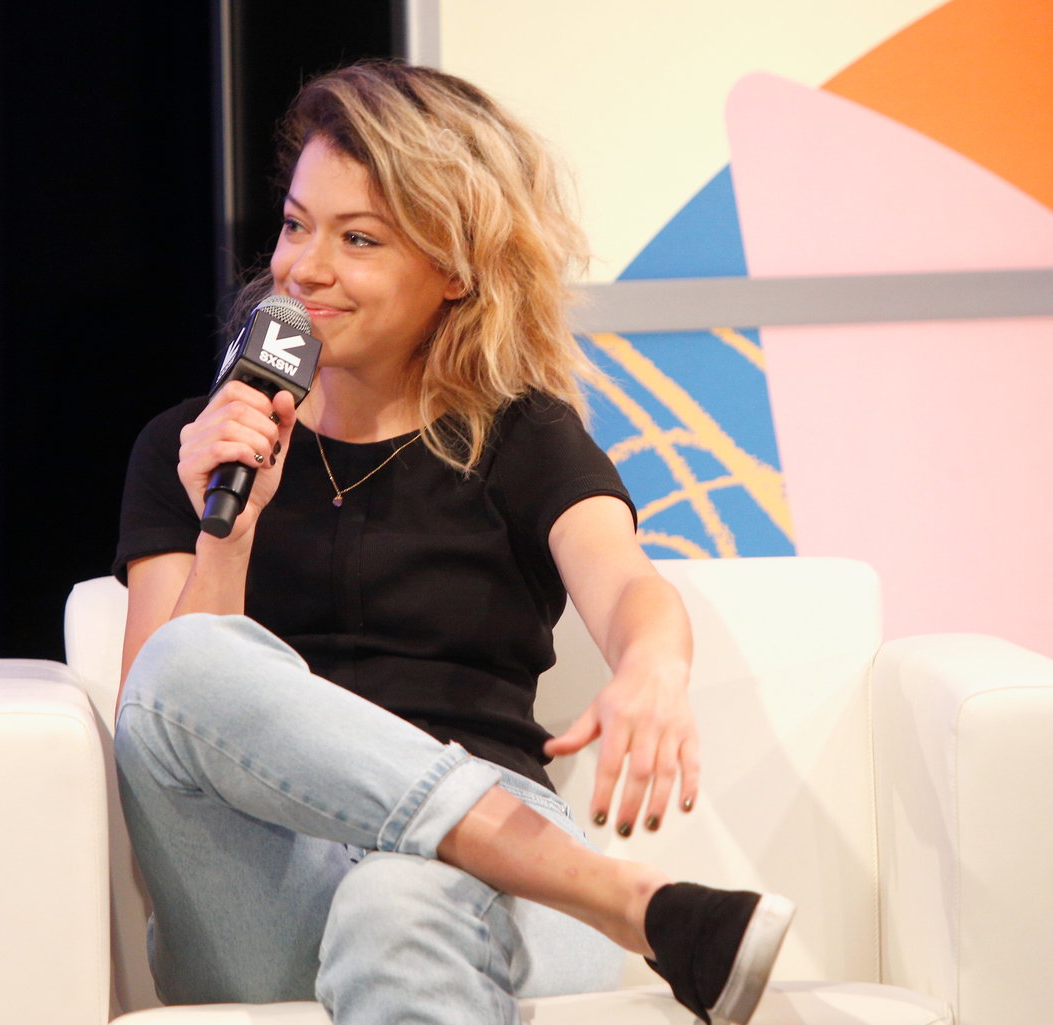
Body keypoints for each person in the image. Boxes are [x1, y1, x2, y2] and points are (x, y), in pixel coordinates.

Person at [112, 61, 792, 1025]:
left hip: (480, 889)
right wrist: (233, 526)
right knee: (182, 661)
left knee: (401, 898)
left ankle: (498, 861)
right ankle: (619, 898)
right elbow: (162, 717)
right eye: (297, 225)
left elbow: (628, 585)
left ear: (456, 269)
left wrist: (654, 667)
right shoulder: (196, 444)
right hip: (260, 883)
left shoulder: (521, 437)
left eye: (359, 239)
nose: (303, 268)